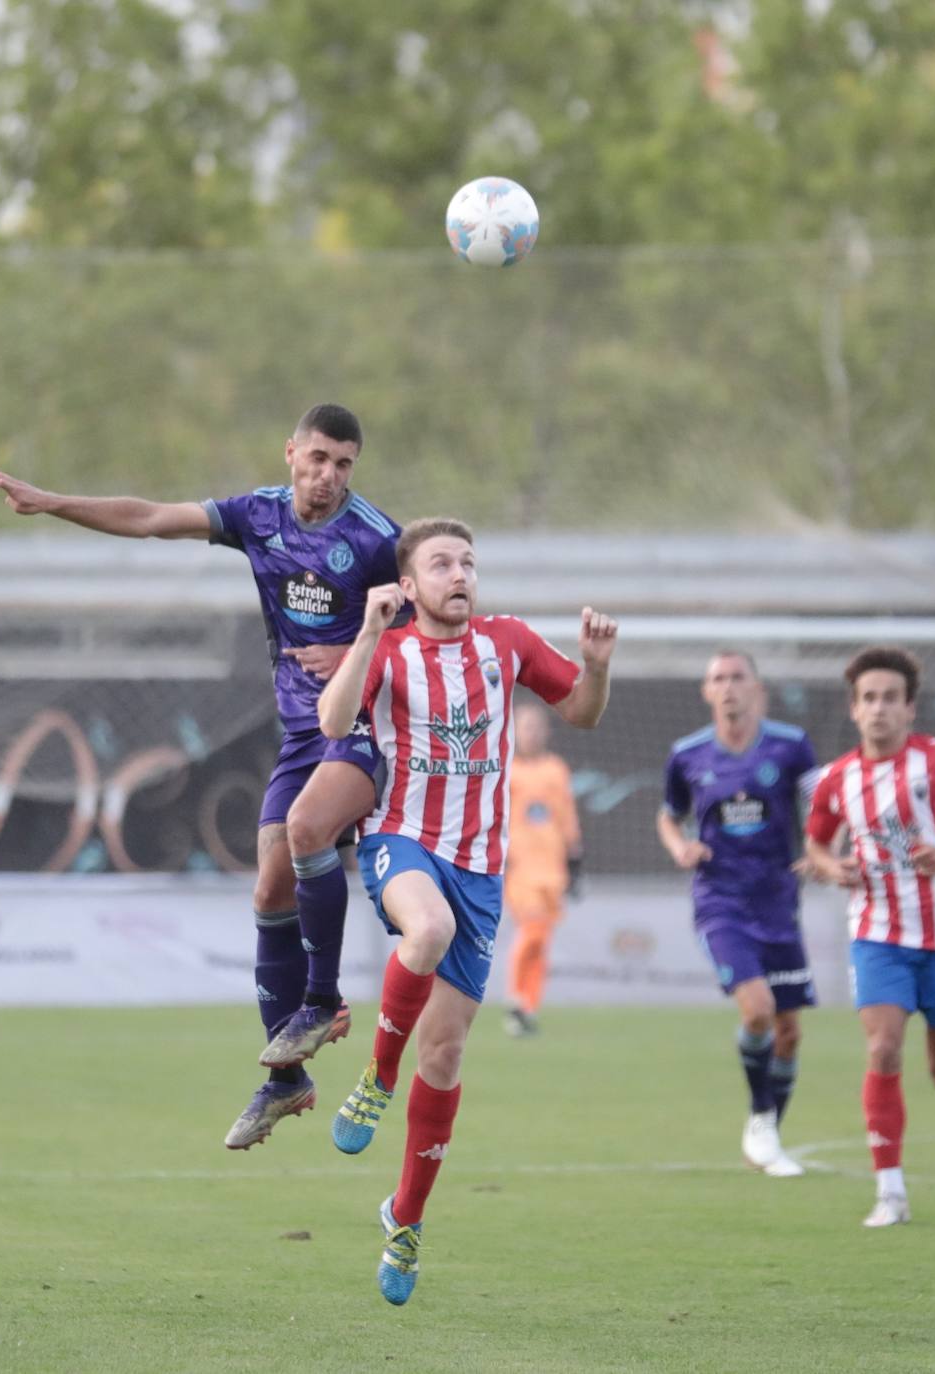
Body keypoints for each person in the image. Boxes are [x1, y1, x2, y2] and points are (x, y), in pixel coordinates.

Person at [0, 403, 405, 1149]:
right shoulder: (257, 517)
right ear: (291, 452)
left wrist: (360, 651)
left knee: (306, 831)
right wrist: (51, 502)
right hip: (300, 738)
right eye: (317, 459)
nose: (328, 476)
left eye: (343, 464)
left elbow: (441, 624)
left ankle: (323, 1001)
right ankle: (285, 1081)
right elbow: (150, 517)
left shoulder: (377, 539)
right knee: (268, 890)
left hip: (362, 729)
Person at [317, 517, 617, 1305]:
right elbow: (333, 722)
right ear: (408, 584)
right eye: (441, 563)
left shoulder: (506, 642)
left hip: (481, 871)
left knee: (445, 1058)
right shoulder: (388, 649)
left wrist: (595, 667)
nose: (459, 574)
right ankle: (376, 1077)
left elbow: (583, 712)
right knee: (428, 929)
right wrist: (365, 634)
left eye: (468, 563)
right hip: (401, 838)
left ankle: (405, 1219)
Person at [803, 645, 935, 1228]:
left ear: (910, 708)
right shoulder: (837, 779)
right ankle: (890, 1192)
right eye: (869, 698)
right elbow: (816, 842)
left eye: (890, 698)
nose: (879, 709)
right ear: (854, 708)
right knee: (883, 1048)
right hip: (878, 934)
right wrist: (832, 866)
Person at [657, 650, 821, 1179]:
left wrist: (821, 850)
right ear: (707, 692)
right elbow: (669, 816)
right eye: (718, 679)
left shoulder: (791, 746)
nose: (728, 687)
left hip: (778, 903)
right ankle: (761, 1117)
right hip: (719, 902)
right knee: (757, 1011)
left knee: (789, 1032)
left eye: (737, 677)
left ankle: (766, 1130)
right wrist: (680, 846)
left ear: (757, 688)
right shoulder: (687, 754)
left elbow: (825, 806)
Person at [501, 701, 583, 1038]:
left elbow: (566, 816)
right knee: (532, 929)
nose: (531, 733)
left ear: (546, 731)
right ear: (515, 732)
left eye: (536, 727)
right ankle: (515, 998)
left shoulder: (556, 769)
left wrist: (575, 861)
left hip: (554, 869)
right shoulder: (507, 770)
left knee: (541, 941)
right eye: (525, 727)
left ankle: (527, 1008)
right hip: (522, 869)